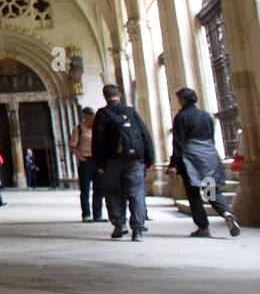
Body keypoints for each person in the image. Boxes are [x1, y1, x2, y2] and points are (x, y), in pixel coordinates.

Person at [170, 87, 241, 238]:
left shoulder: (181, 117)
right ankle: (226, 212)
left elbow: (178, 143)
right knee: (211, 190)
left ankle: (203, 227)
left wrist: (173, 164)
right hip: (208, 157)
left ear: (183, 100)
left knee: (193, 193)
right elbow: (211, 137)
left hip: (190, 160)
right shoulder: (206, 116)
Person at [91, 84, 156, 242]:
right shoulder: (131, 111)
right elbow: (144, 135)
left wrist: (99, 163)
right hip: (134, 161)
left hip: (112, 162)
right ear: (119, 95)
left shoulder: (103, 114)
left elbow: (98, 140)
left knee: (112, 193)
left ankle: (119, 225)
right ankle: (138, 230)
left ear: (105, 96)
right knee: (136, 193)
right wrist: (149, 159)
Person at [69, 107, 103, 223]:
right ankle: (86, 214)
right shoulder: (78, 128)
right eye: (91, 117)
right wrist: (81, 158)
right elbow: (72, 146)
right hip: (86, 160)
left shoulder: (98, 128)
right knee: (85, 189)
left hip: (98, 159)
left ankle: (97, 214)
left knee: (99, 188)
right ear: (86, 117)